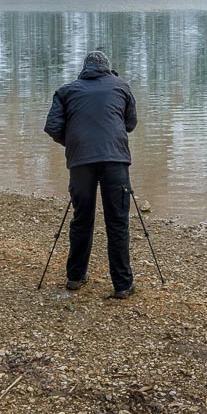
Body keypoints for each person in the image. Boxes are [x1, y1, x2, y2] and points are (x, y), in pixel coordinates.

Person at [44, 51, 138, 299]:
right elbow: (130, 123)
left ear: (84, 69)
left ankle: (75, 277)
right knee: (117, 222)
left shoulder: (66, 91)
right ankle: (122, 285)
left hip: (81, 163)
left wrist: (75, 143)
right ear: (107, 68)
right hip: (115, 161)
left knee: (81, 219)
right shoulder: (121, 87)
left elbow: (52, 127)